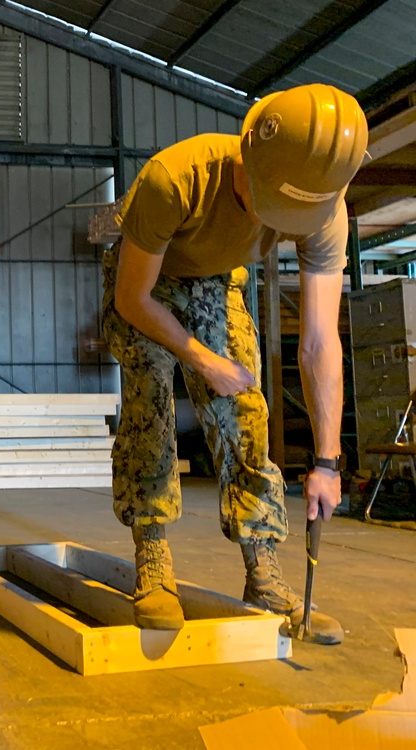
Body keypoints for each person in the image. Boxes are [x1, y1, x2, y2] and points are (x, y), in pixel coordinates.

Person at [102, 84, 367, 644]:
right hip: (146, 282)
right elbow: (133, 301)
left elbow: (320, 341)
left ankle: (262, 571)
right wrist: (199, 358)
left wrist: (327, 461)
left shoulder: (323, 209)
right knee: (150, 400)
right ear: (247, 152)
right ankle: (152, 551)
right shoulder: (174, 179)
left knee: (245, 410)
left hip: (217, 281)